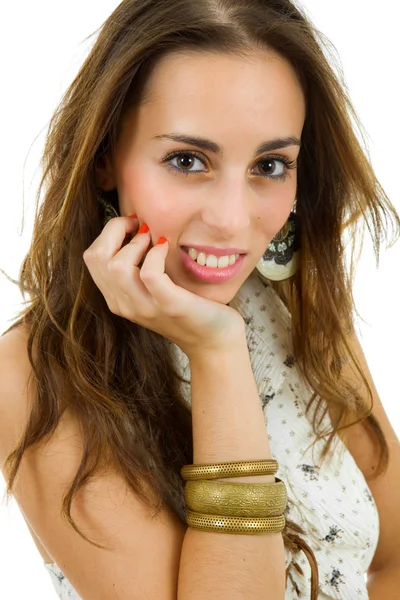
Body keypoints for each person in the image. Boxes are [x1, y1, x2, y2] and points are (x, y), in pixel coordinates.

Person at [0, 0, 399, 598]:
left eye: (270, 164)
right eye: (187, 161)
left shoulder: (293, 297)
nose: (234, 220)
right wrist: (216, 351)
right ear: (107, 157)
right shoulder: (34, 376)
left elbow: (393, 560)